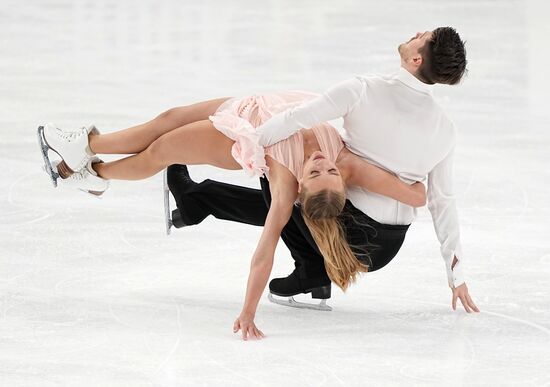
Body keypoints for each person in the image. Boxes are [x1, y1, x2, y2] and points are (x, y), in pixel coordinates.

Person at [38, 90, 426, 340]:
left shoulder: (285, 180)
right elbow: (416, 194)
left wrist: (248, 311)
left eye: (316, 173)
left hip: (242, 135)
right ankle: (85, 153)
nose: (322, 164)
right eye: (329, 173)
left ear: (301, 187)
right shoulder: (344, 159)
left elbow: (265, 250)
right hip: (257, 104)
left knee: (161, 150)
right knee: (167, 117)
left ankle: (94, 169)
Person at [166, 26, 480, 316]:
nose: (417, 32)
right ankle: (200, 200)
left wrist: (250, 145)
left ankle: (309, 269)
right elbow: (442, 201)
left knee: (285, 160)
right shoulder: (445, 129)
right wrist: (457, 274)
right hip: (387, 248)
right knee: (310, 186)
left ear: (415, 58)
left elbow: (294, 119)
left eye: (423, 35)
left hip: (351, 229)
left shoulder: (365, 89)